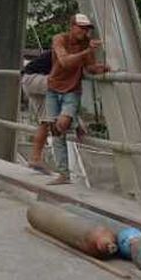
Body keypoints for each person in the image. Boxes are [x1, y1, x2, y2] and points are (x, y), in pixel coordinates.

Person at [45, 13, 110, 185]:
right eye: (81, 28)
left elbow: (89, 67)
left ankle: (72, 121)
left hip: (72, 89)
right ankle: (63, 173)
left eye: (87, 28)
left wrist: (103, 68)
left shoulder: (86, 46)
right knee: (57, 132)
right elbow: (65, 61)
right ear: (72, 26)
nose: (84, 31)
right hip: (53, 87)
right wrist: (88, 51)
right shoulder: (60, 39)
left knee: (61, 124)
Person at [20, 48, 54, 172]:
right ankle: (75, 121)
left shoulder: (62, 48)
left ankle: (35, 157)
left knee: (45, 121)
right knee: (63, 86)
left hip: (29, 79)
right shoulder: (65, 51)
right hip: (35, 79)